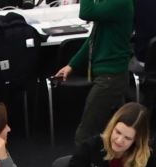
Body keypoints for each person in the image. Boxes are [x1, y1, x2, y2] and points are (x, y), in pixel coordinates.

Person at [55, 0, 135, 149]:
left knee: (86, 134)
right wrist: (72, 65)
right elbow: (94, 38)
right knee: (115, 132)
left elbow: (86, 12)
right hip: (111, 75)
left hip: (111, 77)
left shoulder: (120, 2)